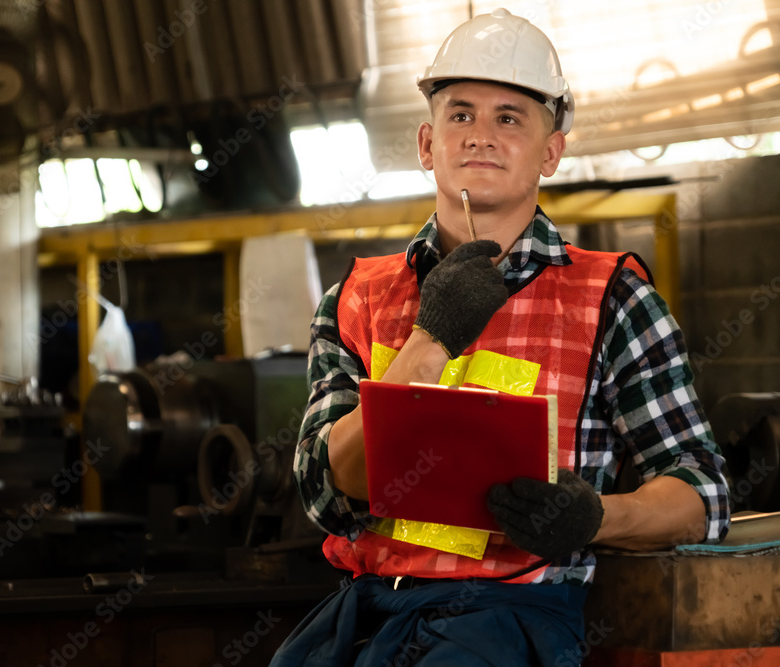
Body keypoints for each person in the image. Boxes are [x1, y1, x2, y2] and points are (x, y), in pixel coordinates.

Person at [271, 8, 730, 667]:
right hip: (364, 615)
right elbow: (323, 487)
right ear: (428, 144)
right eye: (460, 113)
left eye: (509, 117)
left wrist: (594, 517)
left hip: (512, 625)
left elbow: (702, 494)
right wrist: (429, 339)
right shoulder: (357, 296)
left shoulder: (614, 298)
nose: (480, 135)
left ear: (550, 151)